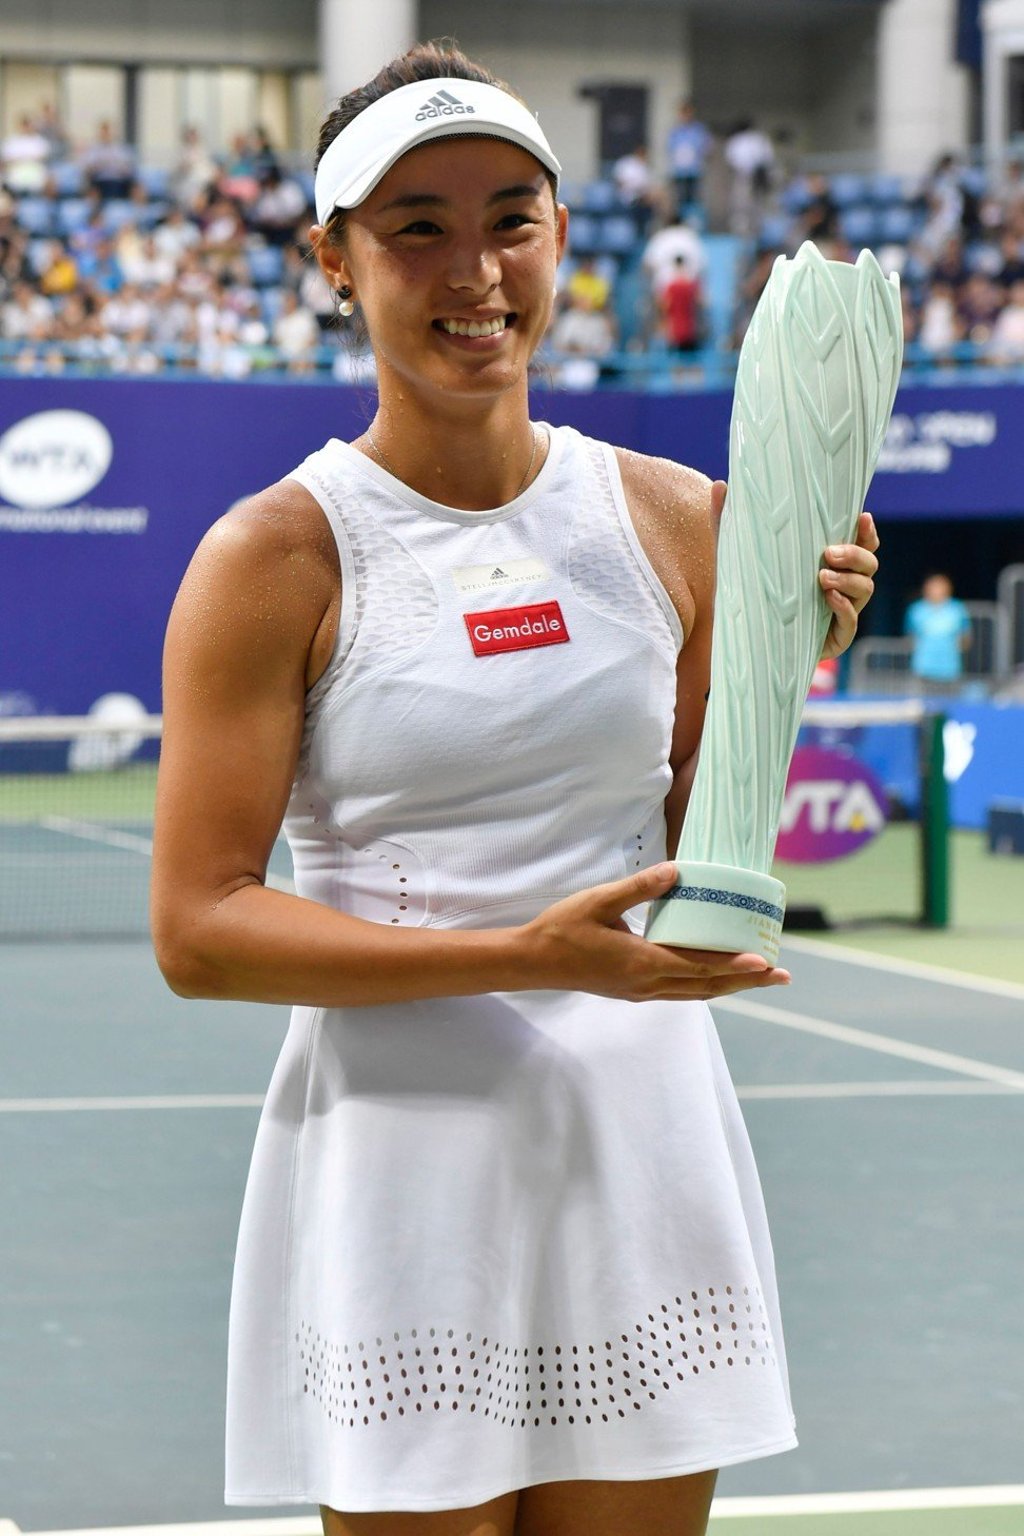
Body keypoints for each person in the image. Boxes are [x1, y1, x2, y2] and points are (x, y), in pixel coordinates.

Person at [151, 41, 881, 1536]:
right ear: (334, 261)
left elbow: (699, 850)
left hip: (641, 1149)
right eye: (416, 226)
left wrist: (784, 665)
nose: (474, 270)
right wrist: (524, 955)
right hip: (402, 1167)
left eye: (511, 220)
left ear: (559, 239)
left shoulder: (683, 521)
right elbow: (199, 930)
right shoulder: (271, 556)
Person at [904, 573, 971, 691]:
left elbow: (965, 637)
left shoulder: (957, 609)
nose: (936, 591)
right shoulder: (916, 610)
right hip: (923, 668)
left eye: (940, 587)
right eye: (933, 587)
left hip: (949, 669)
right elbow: (910, 637)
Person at [666, 101, 712, 217]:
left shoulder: (699, 130)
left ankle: (693, 220)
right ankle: (681, 220)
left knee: (694, 198)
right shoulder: (675, 131)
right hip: (679, 172)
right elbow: (670, 149)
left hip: (694, 171)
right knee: (679, 199)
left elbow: (706, 148)